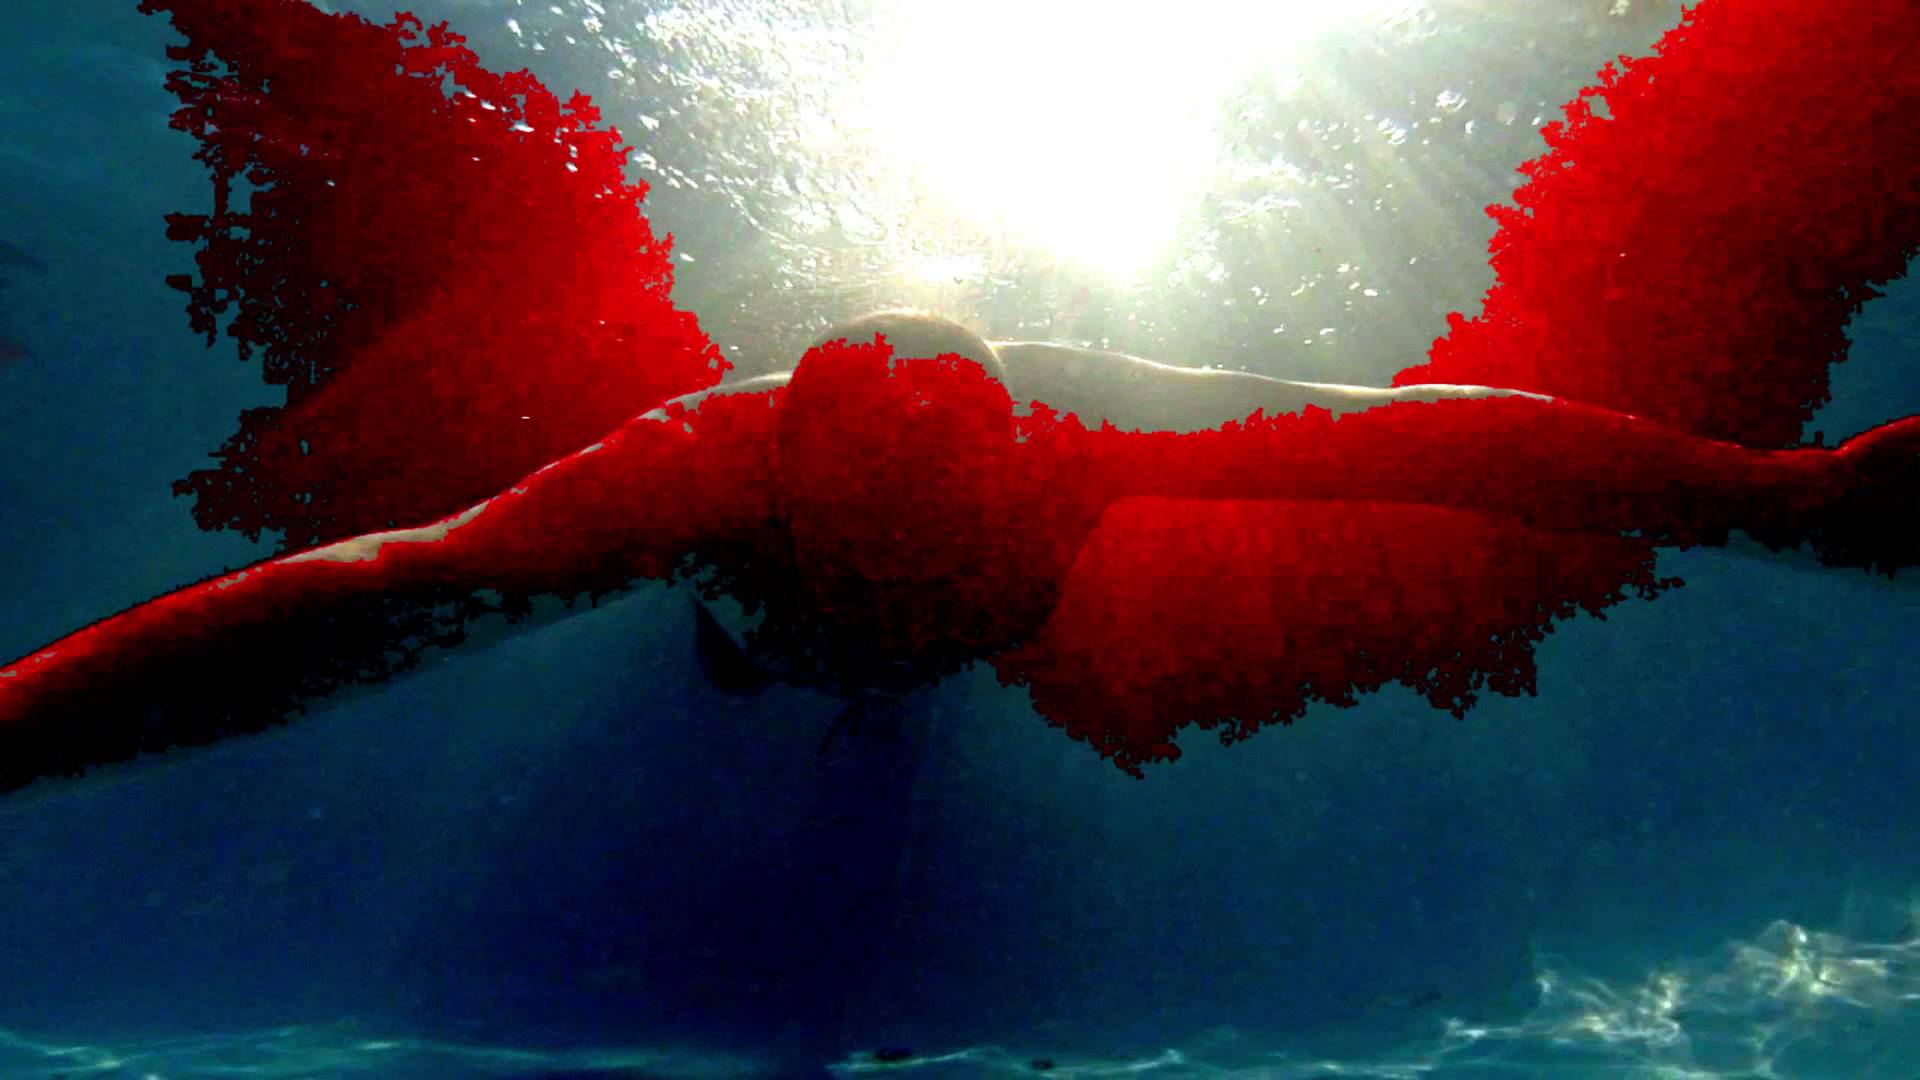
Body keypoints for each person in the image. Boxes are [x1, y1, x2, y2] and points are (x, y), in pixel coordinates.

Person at [0, 308, 1913, 796]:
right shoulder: (690, 478)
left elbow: (1445, 442)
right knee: (759, 670)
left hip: (974, 623)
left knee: (923, 674)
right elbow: (360, 597)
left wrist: (1783, 494)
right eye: (878, 519)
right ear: (796, 478)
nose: (912, 528)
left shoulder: (1088, 424)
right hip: (770, 633)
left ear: (1006, 454)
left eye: (942, 506)